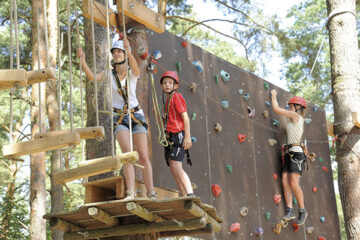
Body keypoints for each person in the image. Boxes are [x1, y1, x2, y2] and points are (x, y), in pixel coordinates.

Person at [76, 37, 156, 200]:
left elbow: (137, 69)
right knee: (127, 154)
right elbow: (92, 77)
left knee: (142, 154)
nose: (118, 54)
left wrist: (129, 51)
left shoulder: (131, 72)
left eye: (120, 52)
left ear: (125, 55)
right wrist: (82, 60)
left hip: (136, 115)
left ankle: (151, 192)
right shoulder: (109, 74)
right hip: (119, 116)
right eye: (115, 52)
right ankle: (130, 192)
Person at [271, 89, 308, 225]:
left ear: (298, 108)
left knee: (293, 182)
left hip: (297, 153)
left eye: (292, 105)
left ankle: (302, 210)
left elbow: (276, 108)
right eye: (291, 106)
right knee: (285, 180)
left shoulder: (296, 116)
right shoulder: (293, 119)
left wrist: (274, 95)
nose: (290, 107)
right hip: (289, 152)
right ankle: (289, 210)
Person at [160, 71, 194, 197]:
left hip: (179, 135)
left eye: (170, 82)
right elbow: (167, 121)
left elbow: (185, 117)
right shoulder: (167, 101)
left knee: (176, 166)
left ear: (175, 85)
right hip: (170, 136)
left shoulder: (176, 97)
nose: (167, 85)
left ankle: (190, 194)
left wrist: (187, 137)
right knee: (173, 168)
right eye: (165, 83)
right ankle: (184, 195)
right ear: (162, 86)